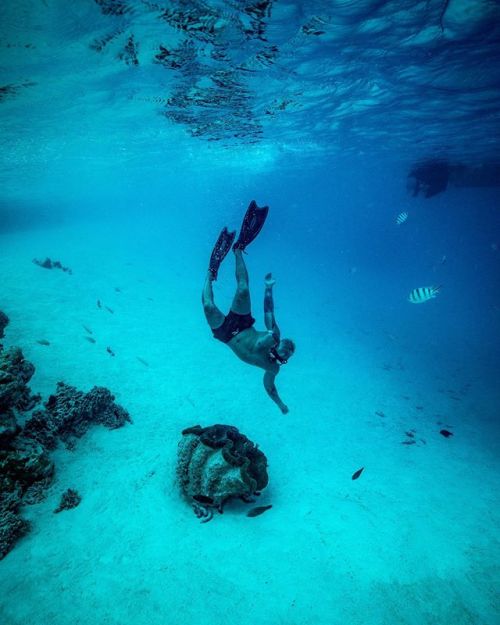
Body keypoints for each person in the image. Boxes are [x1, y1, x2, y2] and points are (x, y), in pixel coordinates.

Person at [202, 200, 295, 414]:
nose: (284, 356)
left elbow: (269, 387)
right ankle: (238, 249)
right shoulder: (273, 336)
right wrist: (268, 288)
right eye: (284, 351)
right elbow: (268, 312)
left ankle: (210, 272)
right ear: (279, 346)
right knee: (243, 289)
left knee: (208, 306)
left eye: (287, 357)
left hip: (226, 335)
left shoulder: (273, 368)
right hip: (243, 326)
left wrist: (280, 404)